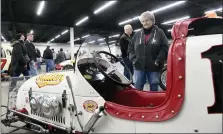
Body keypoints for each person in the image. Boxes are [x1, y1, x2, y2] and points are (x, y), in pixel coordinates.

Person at [128, 11, 169, 91]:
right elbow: (130, 48)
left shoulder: (160, 33)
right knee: (138, 86)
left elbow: (164, 47)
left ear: (152, 21)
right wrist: (133, 59)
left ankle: (152, 103)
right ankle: (138, 102)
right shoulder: (137, 34)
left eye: (147, 20)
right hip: (139, 66)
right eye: (143, 21)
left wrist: (158, 60)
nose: (145, 23)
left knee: (154, 86)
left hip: (154, 67)